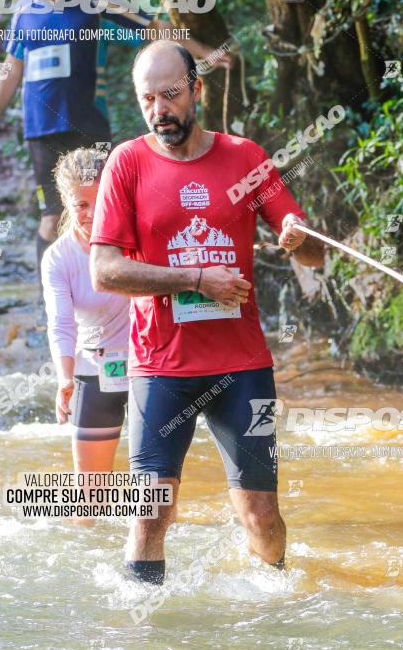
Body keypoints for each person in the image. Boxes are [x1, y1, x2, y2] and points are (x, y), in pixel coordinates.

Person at [90, 41, 325, 585]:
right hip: (160, 368)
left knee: (261, 515)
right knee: (149, 513)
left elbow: (315, 252)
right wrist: (197, 280)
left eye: (170, 95)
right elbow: (105, 271)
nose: (159, 110)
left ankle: (273, 616)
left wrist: (297, 240)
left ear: (197, 89)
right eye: (147, 99)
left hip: (242, 368)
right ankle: (139, 638)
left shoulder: (245, 157)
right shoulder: (127, 163)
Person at [0, 0, 232, 284]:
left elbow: (155, 27)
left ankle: (114, 290)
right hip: (40, 131)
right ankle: (52, 303)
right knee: (51, 218)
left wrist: (207, 53)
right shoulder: (24, 13)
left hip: (88, 126)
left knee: (103, 210)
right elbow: (11, 69)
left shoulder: (93, 2)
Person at [42, 147, 130, 472]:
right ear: (66, 202)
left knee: (158, 491)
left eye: (100, 201)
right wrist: (65, 379)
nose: (92, 213)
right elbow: (61, 325)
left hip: (149, 369)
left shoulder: (137, 238)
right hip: (94, 370)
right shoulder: (58, 258)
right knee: (90, 500)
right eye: (81, 204)